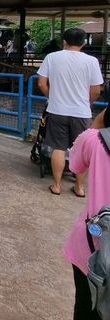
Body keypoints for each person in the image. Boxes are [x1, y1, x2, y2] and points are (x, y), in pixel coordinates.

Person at [64, 108, 110, 320]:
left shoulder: (94, 139)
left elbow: (76, 166)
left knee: (90, 308)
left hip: (95, 247)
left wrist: (99, 122)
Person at [37, 27, 104, 197]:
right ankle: (79, 188)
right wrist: (86, 103)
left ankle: (57, 185)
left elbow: (41, 83)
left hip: (57, 110)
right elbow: (96, 90)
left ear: (64, 42)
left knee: (58, 148)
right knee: (81, 150)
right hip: (81, 113)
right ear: (83, 43)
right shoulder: (92, 61)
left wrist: (52, 98)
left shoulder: (52, 57)